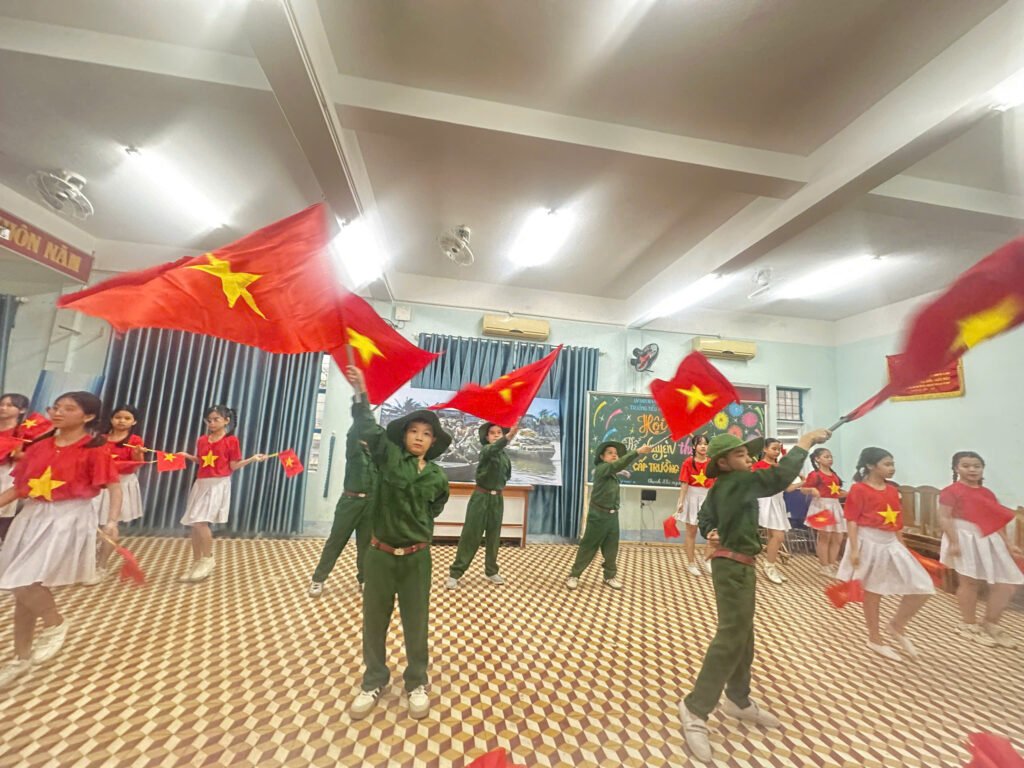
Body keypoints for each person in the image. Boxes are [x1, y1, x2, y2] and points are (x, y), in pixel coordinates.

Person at [680, 428, 830, 764]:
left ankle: (737, 699)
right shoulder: (737, 481)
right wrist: (804, 442)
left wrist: (711, 530)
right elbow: (777, 477)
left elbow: (706, 516)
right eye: (740, 455)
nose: (748, 459)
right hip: (732, 567)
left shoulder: (724, 486)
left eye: (748, 454)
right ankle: (695, 708)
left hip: (741, 566)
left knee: (743, 635)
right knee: (731, 636)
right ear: (724, 463)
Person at [345, 367, 450, 721]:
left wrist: (415, 527)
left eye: (426, 433)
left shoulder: (437, 476)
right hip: (380, 555)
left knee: (416, 622)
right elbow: (368, 429)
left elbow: (435, 507)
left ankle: (416, 681)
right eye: (413, 431)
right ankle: (374, 679)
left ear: (433, 442)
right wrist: (361, 392)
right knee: (374, 621)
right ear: (404, 435)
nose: (419, 437)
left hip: (417, 559)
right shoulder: (388, 457)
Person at [0, 391, 121, 688]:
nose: (58, 412)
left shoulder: (94, 448)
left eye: (68, 409)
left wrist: (112, 521)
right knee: (23, 590)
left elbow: (114, 486)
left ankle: (55, 623)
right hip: (32, 516)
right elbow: (19, 488)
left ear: (88, 416)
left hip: (68, 519)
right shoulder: (40, 445)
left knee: (22, 582)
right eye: (55, 407)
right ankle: (21, 658)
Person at [837, 447, 933, 661]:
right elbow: (851, 520)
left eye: (892, 464)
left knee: (923, 585)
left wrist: (903, 546)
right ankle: (874, 637)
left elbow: (897, 521)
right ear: (871, 466)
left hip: (891, 542)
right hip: (869, 542)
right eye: (887, 464)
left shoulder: (892, 490)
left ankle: (897, 625)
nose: (892, 468)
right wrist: (854, 549)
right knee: (873, 591)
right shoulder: (859, 489)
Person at [938, 451, 1022, 648]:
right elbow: (944, 517)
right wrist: (954, 541)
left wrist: (1008, 544)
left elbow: (995, 520)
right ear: (956, 468)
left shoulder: (987, 493)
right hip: (964, 537)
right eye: (966, 466)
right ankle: (968, 625)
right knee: (970, 582)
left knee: (1006, 583)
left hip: (989, 538)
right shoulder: (950, 491)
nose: (972, 470)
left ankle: (991, 623)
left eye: (977, 466)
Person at [178, 405, 267, 583]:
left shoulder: (231, 441)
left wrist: (251, 459)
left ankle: (208, 559)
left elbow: (233, 465)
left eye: (216, 419)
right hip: (201, 483)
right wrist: (187, 456)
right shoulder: (202, 440)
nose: (211, 423)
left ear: (226, 420)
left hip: (218, 484)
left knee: (201, 522)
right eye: (209, 420)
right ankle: (196, 561)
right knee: (195, 524)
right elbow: (202, 461)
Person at [308, 402, 376, 597]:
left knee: (366, 545)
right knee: (335, 542)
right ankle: (318, 579)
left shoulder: (378, 458)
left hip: (370, 505)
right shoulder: (355, 451)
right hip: (350, 502)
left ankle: (364, 579)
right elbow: (353, 433)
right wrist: (362, 415)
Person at [566, 439, 653, 590]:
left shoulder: (613, 474)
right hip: (597, 516)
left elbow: (617, 466)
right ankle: (574, 575)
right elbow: (616, 465)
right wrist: (638, 452)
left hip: (612, 516)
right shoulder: (602, 469)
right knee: (588, 547)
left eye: (616, 454)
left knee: (611, 549)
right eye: (610, 453)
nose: (614, 455)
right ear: (602, 457)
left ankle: (609, 576)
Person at [447, 420, 520, 589]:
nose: (496, 435)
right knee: (471, 535)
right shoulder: (486, 451)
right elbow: (493, 449)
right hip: (481, 497)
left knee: (494, 537)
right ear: (487, 437)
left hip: (497, 499)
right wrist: (508, 437)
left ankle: (491, 571)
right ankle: (455, 573)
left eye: (499, 433)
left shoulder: (505, 457)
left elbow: (506, 476)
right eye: (492, 433)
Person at [92, 405, 145, 582]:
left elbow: (137, 464)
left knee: (110, 524)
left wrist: (137, 454)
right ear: (111, 419)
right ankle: (88, 561)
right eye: (118, 417)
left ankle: (102, 565)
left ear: (134, 422)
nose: (121, 421)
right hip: (100, 483)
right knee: (93, 524)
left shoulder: (135, 440)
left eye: (127, 418)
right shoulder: (101, 438)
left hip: (121, 484)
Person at [752, 438, 796, 585]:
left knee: (773, 536)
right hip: (765, 501)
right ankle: (769, 566)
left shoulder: (779, 467)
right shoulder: (758, 466)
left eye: (778, 449)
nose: (777, 452)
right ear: (765, 449)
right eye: (774, 449)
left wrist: (803, 482)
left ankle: (771, 565)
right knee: (778, 535)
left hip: (778, 501)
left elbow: (787, 488)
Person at [801, 447, 847, 578]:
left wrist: (847, 493)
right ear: (817, 459)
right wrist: (811, 490)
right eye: (826, 457)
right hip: (821, 505)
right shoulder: (815, 475)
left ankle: (831, 564)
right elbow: (804, 489)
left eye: (831, 457)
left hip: (835, 505)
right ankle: (824, 566)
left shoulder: (834, 475)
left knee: (838, 537)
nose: (830, 459)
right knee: (825, 537)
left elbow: (835, 492)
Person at [674, 433, 715, 577]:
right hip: (692, 497)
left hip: (708, 497)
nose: (703, 446)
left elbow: (716, 483)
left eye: (705, 444)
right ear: (693, 446)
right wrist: (681, 501)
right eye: (700, 444)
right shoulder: (688, 462)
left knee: (712, 532)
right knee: (691, 532)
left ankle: (707, 559)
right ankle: (691, 563)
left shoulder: (712, 462)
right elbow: (684, 483)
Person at [0, 392, 30, 537]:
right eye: (1, 404)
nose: (3, 408)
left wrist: (15, 453)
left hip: (7, 474)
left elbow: (37, 457)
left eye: (10, 405)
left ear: (22, 410)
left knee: (4, 513)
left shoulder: (26, 432)